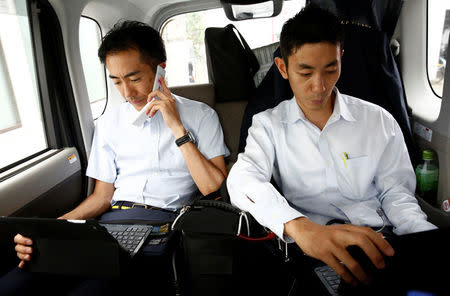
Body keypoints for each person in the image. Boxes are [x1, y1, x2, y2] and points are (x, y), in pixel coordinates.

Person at [2, 20, 229, 295]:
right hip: (109, 225)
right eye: (116, 81)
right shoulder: (109, 122)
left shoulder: (201, 115)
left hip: (164, 226)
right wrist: (56, 229)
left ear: (161, 70)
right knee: (14, 285)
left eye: (134, 79)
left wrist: (176, 127)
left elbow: (213, 188)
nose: (126, 92)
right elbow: (101, 197)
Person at [227, 3, 436, 288]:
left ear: (341, 59)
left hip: (377, 241)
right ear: (282, 68)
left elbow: (396, 194)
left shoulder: (378, 120)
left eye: (330, 69)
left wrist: (423, 237)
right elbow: (243, 179)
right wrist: (298, 226)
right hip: (311, 248)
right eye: (305, 73)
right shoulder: (269, 125)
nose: (319, 86)